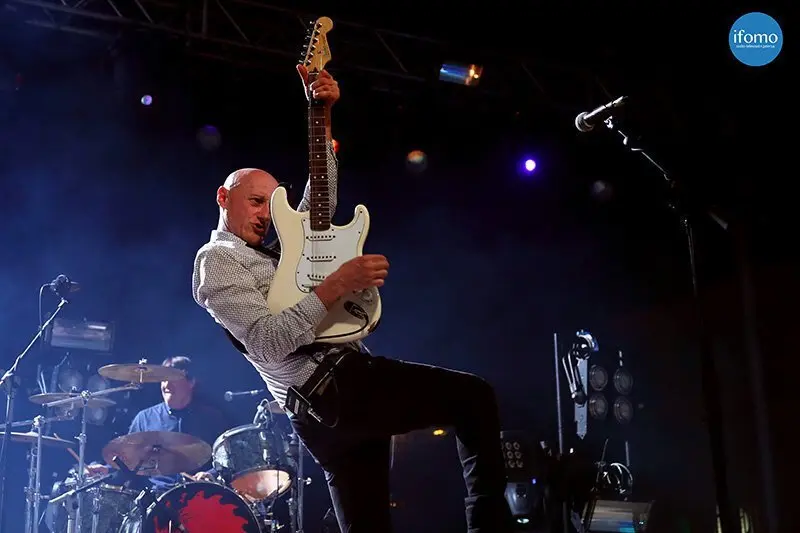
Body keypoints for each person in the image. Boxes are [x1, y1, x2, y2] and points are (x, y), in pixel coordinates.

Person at [192, 64, 513, 533]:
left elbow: (317, 204)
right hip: (334, 387)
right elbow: (265, 341)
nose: (265, 215)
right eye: (256, 202)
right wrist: (337, 284)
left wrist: (321, 113)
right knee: (474, 396)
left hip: (327, 410)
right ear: (224, 197)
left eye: (271, 205)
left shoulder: (278, 251)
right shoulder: (217, 258)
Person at [84, 356, 229, 490]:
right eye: (163, 380)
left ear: (191, 382)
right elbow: (129, 461)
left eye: (171, 378)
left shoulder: (211, 418)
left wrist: (210, 474)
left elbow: (228, 460)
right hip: (156, 497)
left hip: (199, 495)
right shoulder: (144, 418)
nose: (166, 385)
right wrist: (107, 470)